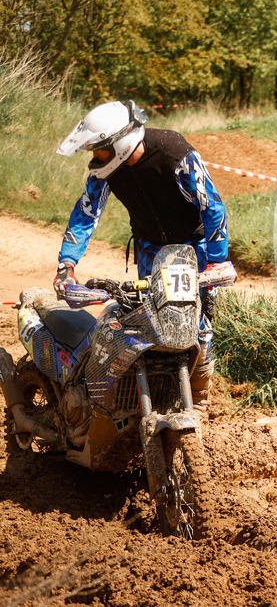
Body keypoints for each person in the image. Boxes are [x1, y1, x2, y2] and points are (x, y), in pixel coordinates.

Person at [53, 100, 229, 405]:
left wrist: (217, 260)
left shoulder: (174, 153)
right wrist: (67, 262)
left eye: (99, 151)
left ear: (119, 141)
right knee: (153, 324)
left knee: (198, 327)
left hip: (192, 247)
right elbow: (86, 212)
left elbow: (211, 206)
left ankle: (199, 399)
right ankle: (152, 400)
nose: (95, 159)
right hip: (149, 247)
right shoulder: (107, 171)